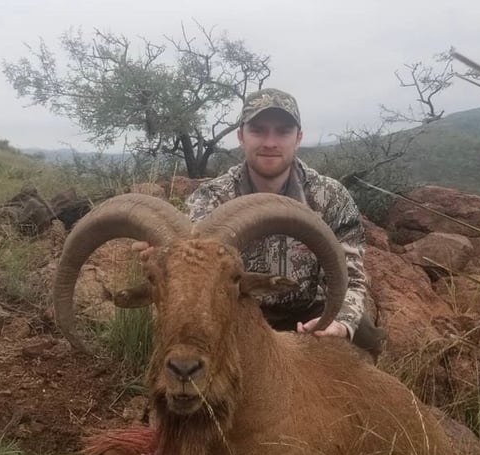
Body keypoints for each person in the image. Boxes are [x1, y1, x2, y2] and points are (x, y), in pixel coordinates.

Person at [135, 88, 386, 361]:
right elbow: (192, 261)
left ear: (298, 138)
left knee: (364, 338)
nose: (270, 142)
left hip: (308, 314)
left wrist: (340, 322)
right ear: (241, 136)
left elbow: (352, 278)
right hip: (236, 309)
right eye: (258, 130)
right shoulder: (211, 198)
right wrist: (164, 256)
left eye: (282, 131)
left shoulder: (331, 196)